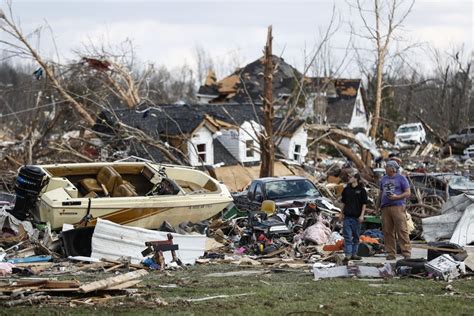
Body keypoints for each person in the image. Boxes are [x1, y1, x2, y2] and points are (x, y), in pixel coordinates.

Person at [377, 160, 411, 260]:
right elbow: (380, 193)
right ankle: (391, 253)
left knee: (402, 230)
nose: (385, 168)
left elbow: (408, 193)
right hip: (385, 208)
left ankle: (406, 253)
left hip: (398, 207)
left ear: (392, 168)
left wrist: (397, 197)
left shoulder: (401, 178)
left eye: (387, 167)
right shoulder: (383, 179)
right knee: (387, 231)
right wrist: (377, 206)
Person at [340, 171, 368, 263]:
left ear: (356, 179)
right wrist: (341, 213)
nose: (349, 178)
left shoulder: (362, 190)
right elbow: (343, 202)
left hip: (357, 218)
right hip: (347, 217)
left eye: (351, 177)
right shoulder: (346, 190)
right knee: (347, 236)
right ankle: (348, 254)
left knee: (356, 237)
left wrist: (362, 215)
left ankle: (354, 254)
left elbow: (364, 204)